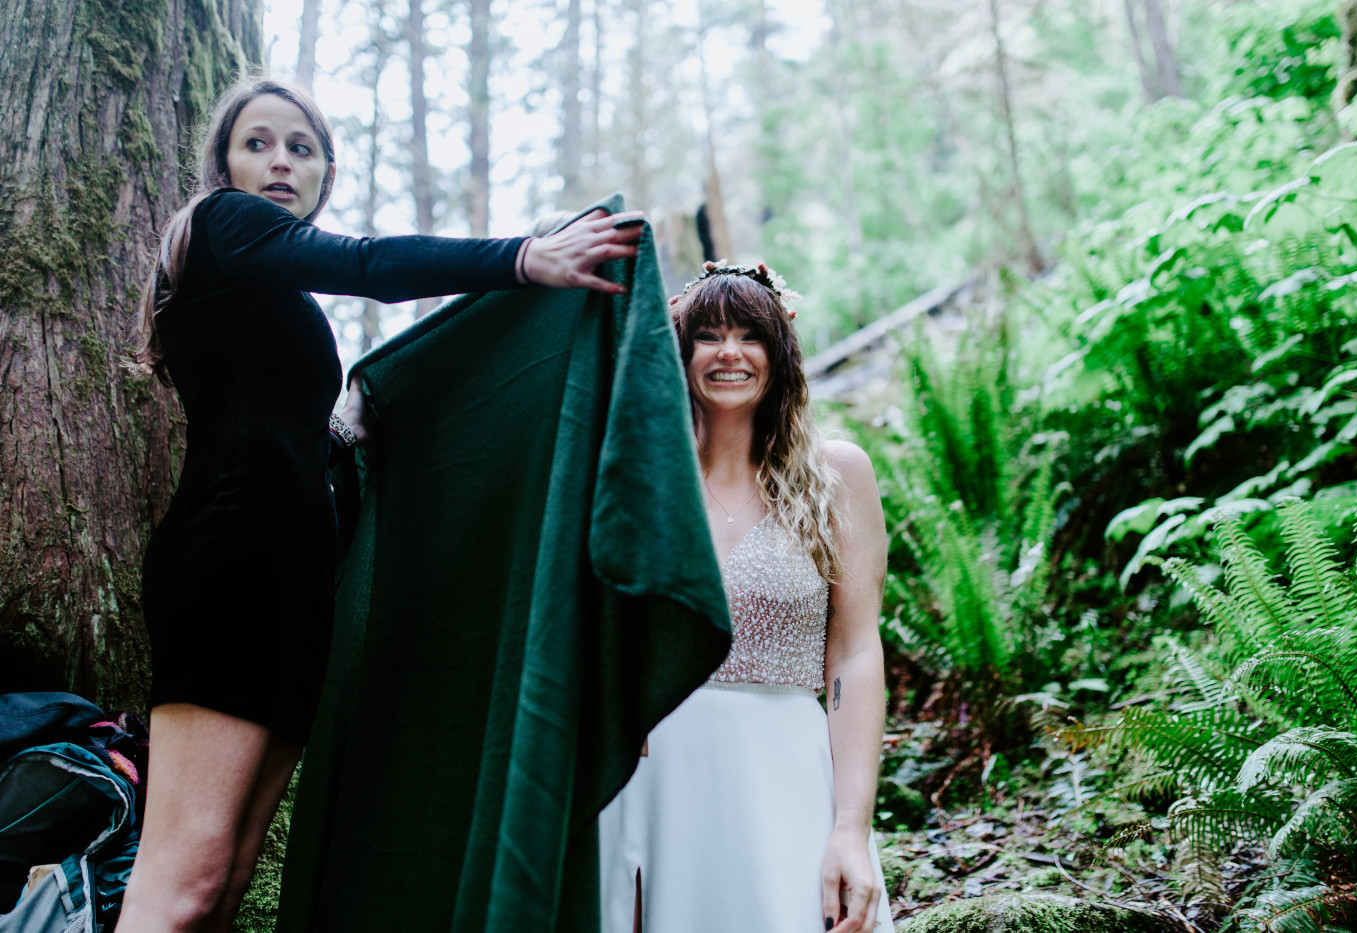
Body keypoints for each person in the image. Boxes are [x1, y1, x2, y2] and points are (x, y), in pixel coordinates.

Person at [117, 76, 643, 933]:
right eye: (258, 142)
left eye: (302, 146)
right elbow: (365, 264)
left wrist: (340, 431)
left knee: (226, 881)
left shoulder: (271, 293)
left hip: (291, 580)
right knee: (182, 882)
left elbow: (270, 426)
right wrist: (521, 258)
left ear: (325, 169)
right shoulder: (223, 223)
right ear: (224, 164)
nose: (281, 160)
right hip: (230, 567)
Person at [598, 262, 895, 932]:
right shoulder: (635, 479)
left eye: (748, 334)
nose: (729, 351)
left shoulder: (838, 474)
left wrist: (851, 826)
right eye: (707, 334)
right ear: (679, 355)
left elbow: (854, 651)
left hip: (784, 777)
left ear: (780, 353)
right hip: (647, 778)